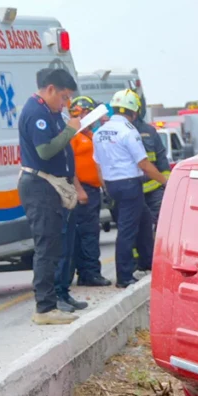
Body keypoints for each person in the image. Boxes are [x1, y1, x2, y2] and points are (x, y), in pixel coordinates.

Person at [17, 68, 80, 325]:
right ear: (50, 89)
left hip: (50, 186)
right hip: (39, 186)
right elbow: (44, 151)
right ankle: (44, 308)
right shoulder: (36, 113)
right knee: (46, 247)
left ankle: (51, 302)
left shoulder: (50, 112)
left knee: (53, 246)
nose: (64, 103)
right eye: (64, 97)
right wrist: (70, 131)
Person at [93, 90, 168, 287]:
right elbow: (143, 164)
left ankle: (146, 261)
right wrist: (165, 182)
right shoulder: (129, 131)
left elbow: (98, 164)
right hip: (129, 184)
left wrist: (106, 187)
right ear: (134, 112)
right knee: (127, 230)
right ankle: (124, 276)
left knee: (144, 220)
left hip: (112, 184)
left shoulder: (100, 132)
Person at [64, 96, 111, 288]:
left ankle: (87, 272)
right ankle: (90, 273)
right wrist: (79, 189)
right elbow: (69, 166)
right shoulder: (73, 136)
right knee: (87, 233)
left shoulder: (88, 134)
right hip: (82, 191)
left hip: (92, 190)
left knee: (89, 232)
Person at [131, 93, 171, 227]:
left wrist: (166, 185)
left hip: (154, 191)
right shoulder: (120, 132)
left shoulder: (149, 131)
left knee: (160, 225)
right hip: (131, 192)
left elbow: (162, 160)